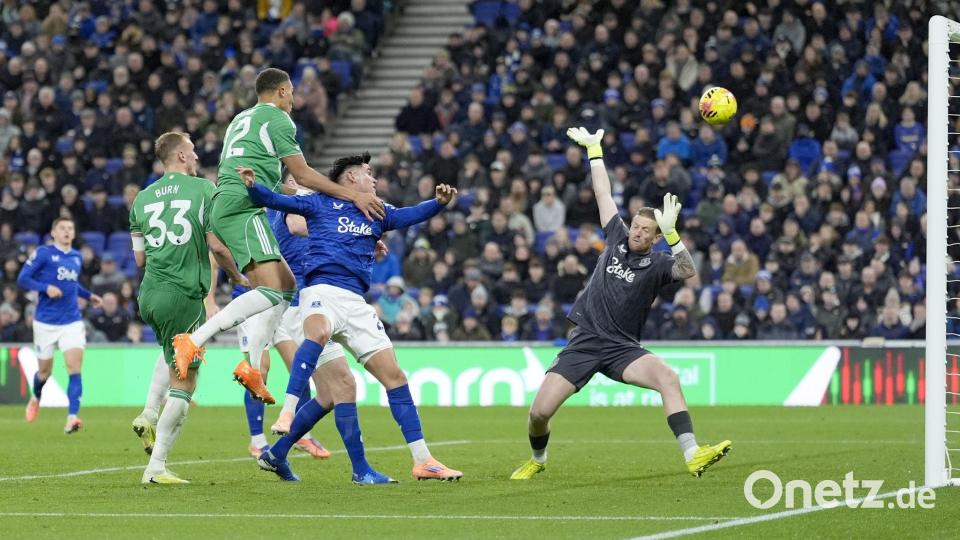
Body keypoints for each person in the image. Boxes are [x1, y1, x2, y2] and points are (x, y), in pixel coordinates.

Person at [510, 127, 731, 481]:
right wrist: (595, 150)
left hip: (623, 348)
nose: (638, 232)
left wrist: (674, 237)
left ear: (656, 237)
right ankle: (538, 458)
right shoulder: (615, 234)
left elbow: (688, 269)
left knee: (669, 378)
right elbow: (602, 191)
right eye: (637, 226)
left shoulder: (659, 263)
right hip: (585, 342)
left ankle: (693, 453)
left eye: (647, 230)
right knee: (539, 413)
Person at [241, 153, 462, 484]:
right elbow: (280, 206)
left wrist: (438, 204)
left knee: (381, 380)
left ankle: (422, 460)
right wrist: (254, 186)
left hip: (356, 303)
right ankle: (288, 415)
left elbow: (409, 215)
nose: (373, 179)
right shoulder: (315, 201)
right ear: (349, 179)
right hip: (315, 294)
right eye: (367, 173)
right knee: (321, 341)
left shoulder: (375, 212)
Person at [171, 68, 384, 404]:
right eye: (293, 92)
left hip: (231, 203)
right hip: (242, 206)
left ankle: (252, 366)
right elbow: (303, 173)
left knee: (284, 286)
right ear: (283, 91)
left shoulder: (242, 118)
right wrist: (352, 197)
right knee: (273, 288)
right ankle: (194, 341)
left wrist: (293, 192)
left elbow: (277, 179)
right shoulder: (280, 120)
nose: (294, 99)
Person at [128, 132, 246, 484]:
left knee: (170, 358)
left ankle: (149, 412)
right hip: (183, 294)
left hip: (149, 294)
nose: (196, 157)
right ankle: (156, 467)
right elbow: (217, 246)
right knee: (186, 381)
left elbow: (138, 258)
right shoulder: (204, 190)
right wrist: (237, 276)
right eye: (192, 152)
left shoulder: (141, 199)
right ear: (180, 155)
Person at [18, 217, 103, 434]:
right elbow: (23, 279)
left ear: (74, 234)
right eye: (63, 228)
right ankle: (36, 396)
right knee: (44, 373)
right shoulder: (43, 253)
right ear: (53, 232)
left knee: (74, 368)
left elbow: (72, 285)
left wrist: (89, 295)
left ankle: (72, 417)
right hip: (45, 322)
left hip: (71, 321)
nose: (67, 231)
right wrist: (45, 288)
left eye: (70, 228)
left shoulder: (76, 256)